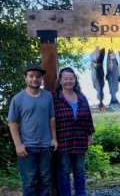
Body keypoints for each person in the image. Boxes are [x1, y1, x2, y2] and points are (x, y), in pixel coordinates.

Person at [7, 63, 58, 196]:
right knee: (29, 182)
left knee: (46, 181)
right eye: (31, 76)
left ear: (41, 79)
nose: (34, 79)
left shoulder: (47, 96)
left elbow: (51, 117)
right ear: (25, 77)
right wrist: (18, 145)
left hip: (46, 146)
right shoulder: (18, 99)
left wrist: (54, 138)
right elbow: (12, 122)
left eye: (38, 76)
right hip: (27, 148)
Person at [53, 67, 95, 196]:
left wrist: (90, 135)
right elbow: (50, 119)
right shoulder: (55, 98)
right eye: (65, 78)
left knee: (79, 170)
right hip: (63, 140)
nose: (68, 81)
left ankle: (81, 194)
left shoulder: (82, 97)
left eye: (71, 78)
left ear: (75, 80)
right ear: (60, 81)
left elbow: (88, 117)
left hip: (80, 140)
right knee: (64, 171)